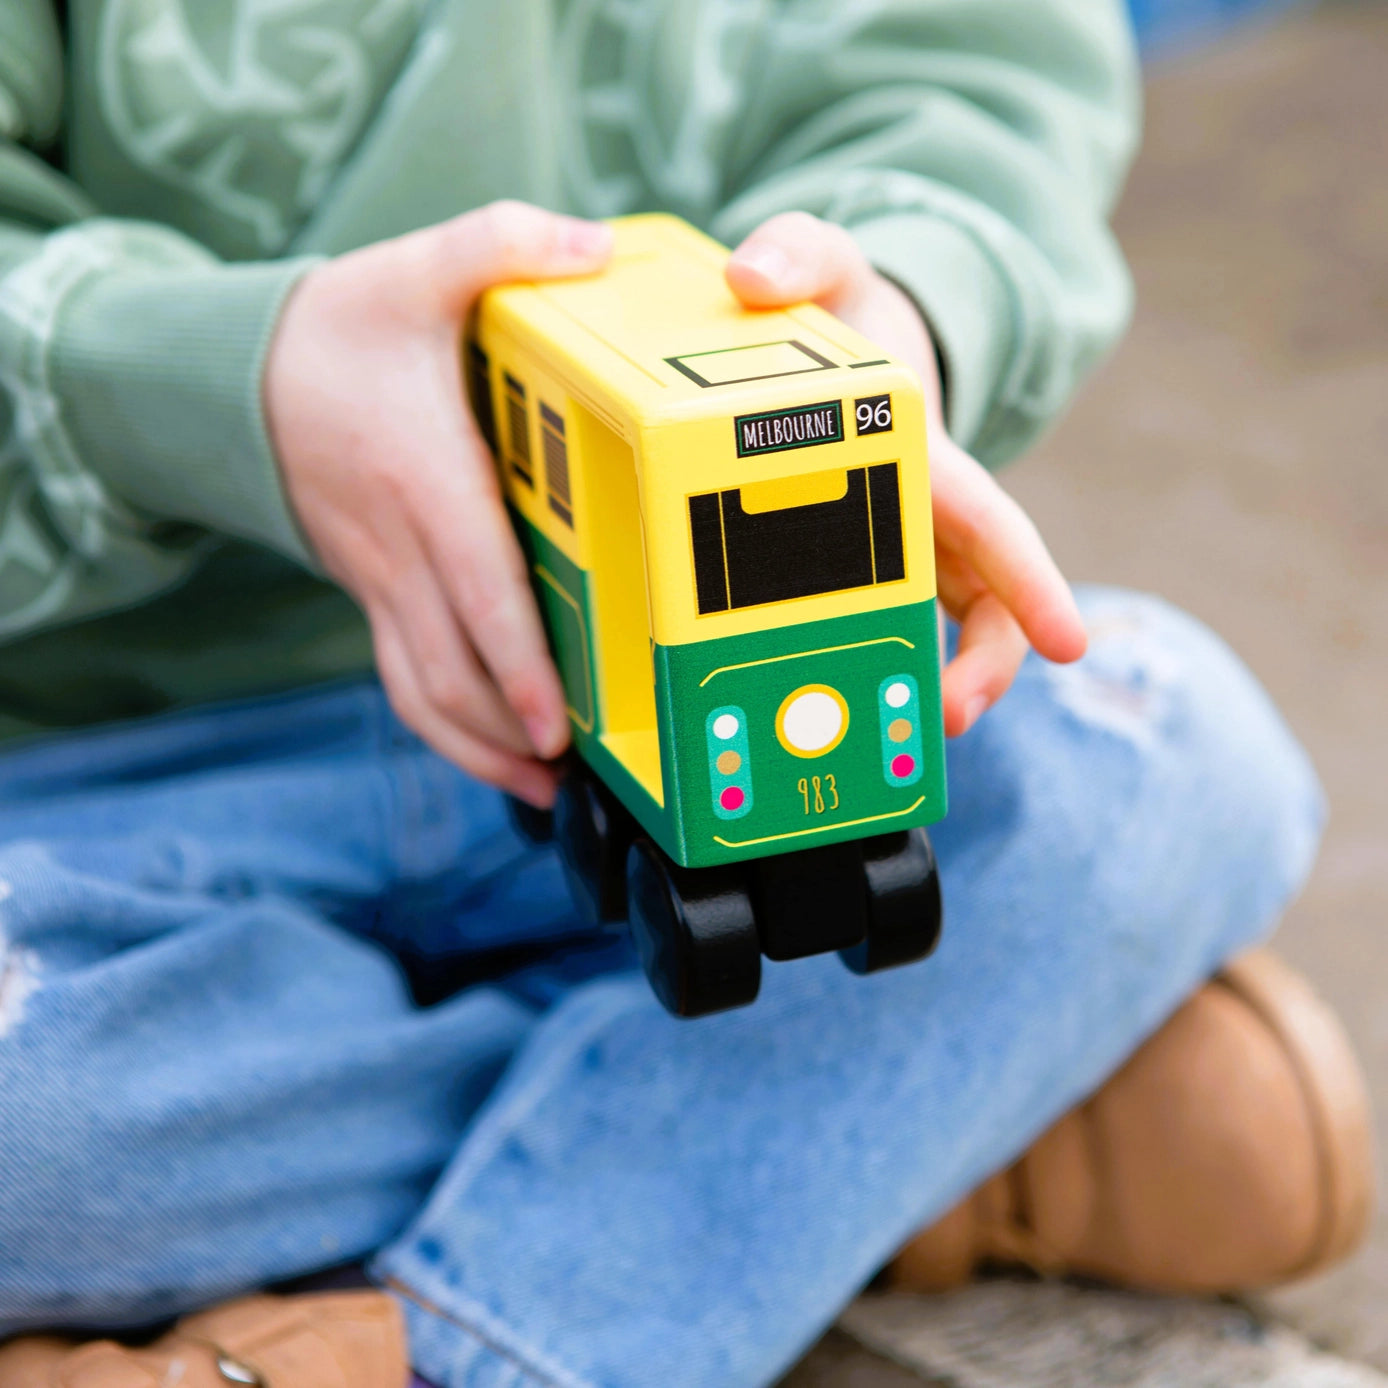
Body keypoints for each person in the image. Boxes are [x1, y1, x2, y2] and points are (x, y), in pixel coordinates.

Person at [0, 2, 1371, 1385]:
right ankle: (867, 1138)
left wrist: (896, 311)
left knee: (1169, 738)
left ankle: (477, 1301)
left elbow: (971, 70)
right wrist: (214, 386)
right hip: (119, 775)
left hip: (617, 698)